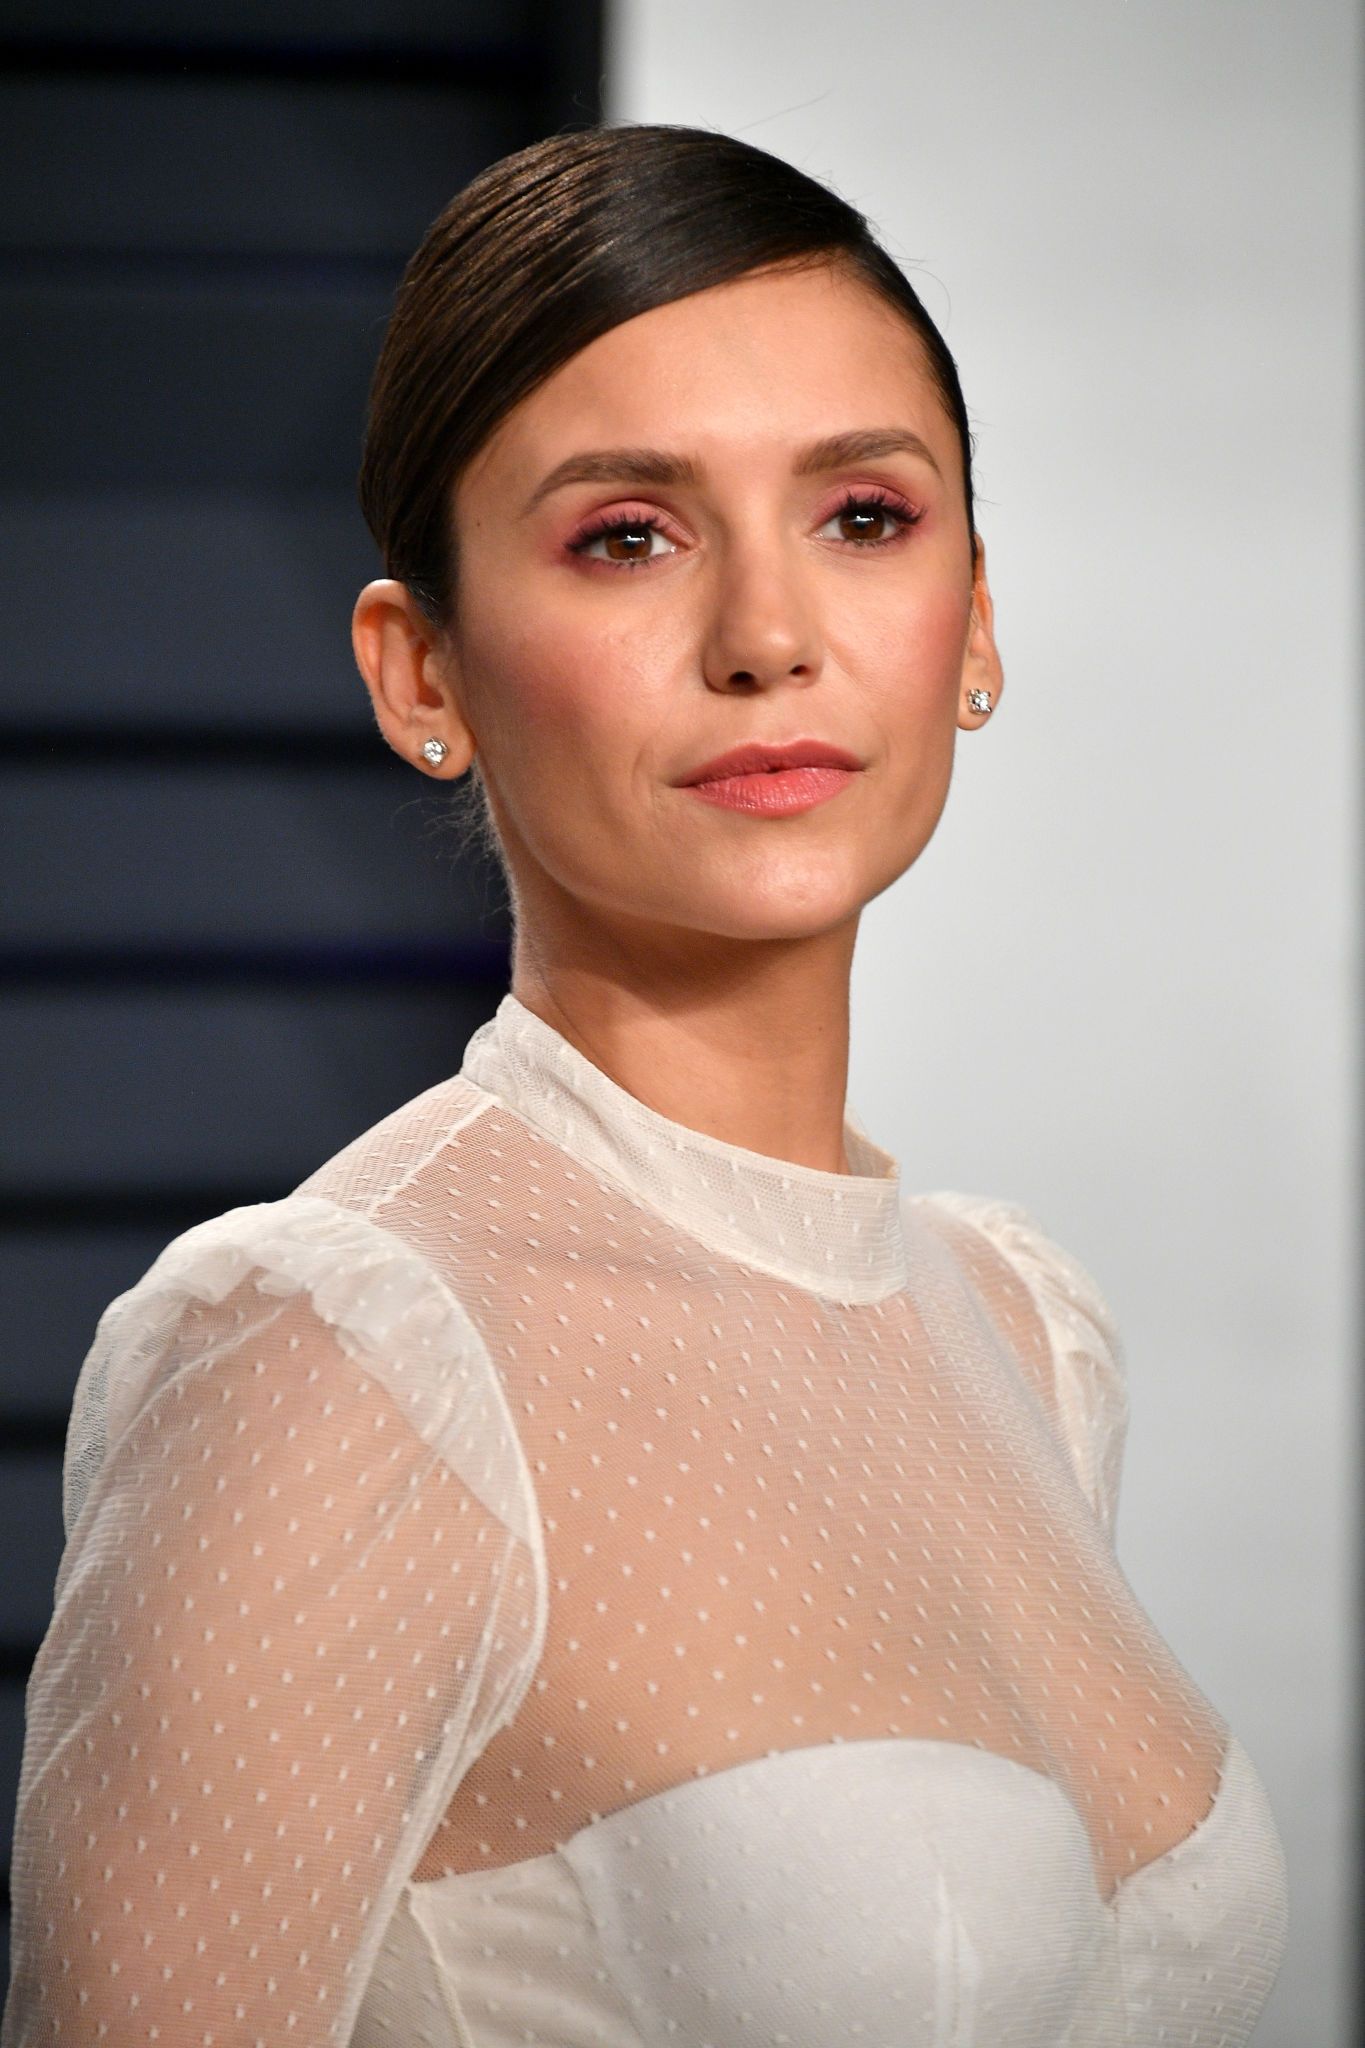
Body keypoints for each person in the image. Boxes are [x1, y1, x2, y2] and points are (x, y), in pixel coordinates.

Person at [2, 124, 1289, 2047]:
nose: (768, 637)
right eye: (627, 535)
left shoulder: (1024, 1333)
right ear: (420, 674)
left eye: (864, 515)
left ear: (975, 621)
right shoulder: (340, 1356)